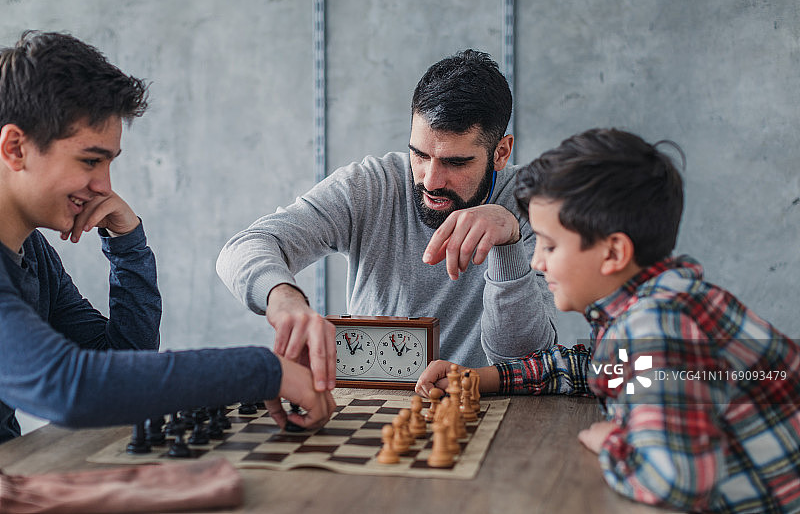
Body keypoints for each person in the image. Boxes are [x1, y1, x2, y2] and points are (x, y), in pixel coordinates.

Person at [415, 128, 800, 513]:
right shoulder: (653, 308)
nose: (537, 262)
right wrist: (482, 378)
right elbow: (600, 368)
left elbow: (677, 483)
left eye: (550, 245)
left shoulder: (657, 325)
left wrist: (613, 440)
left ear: (613, 252)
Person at [0, 30, 334, 445]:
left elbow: (118, 363)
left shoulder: (31, 251)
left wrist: (128, 247)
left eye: (109, 163)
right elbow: (68, 388)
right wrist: (267, 370)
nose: (105, 186)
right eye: (90, 160)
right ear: (15, 147)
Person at [216, 50, 557, 392]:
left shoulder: (532, 204)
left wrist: (508, 244)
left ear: (500, 152)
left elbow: (523, 362)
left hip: (487, 416)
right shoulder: (370, 185)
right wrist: (282, 295)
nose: (431, 180)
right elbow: (243, 248)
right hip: (373, 411)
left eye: (456, 163)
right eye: (420, 155)